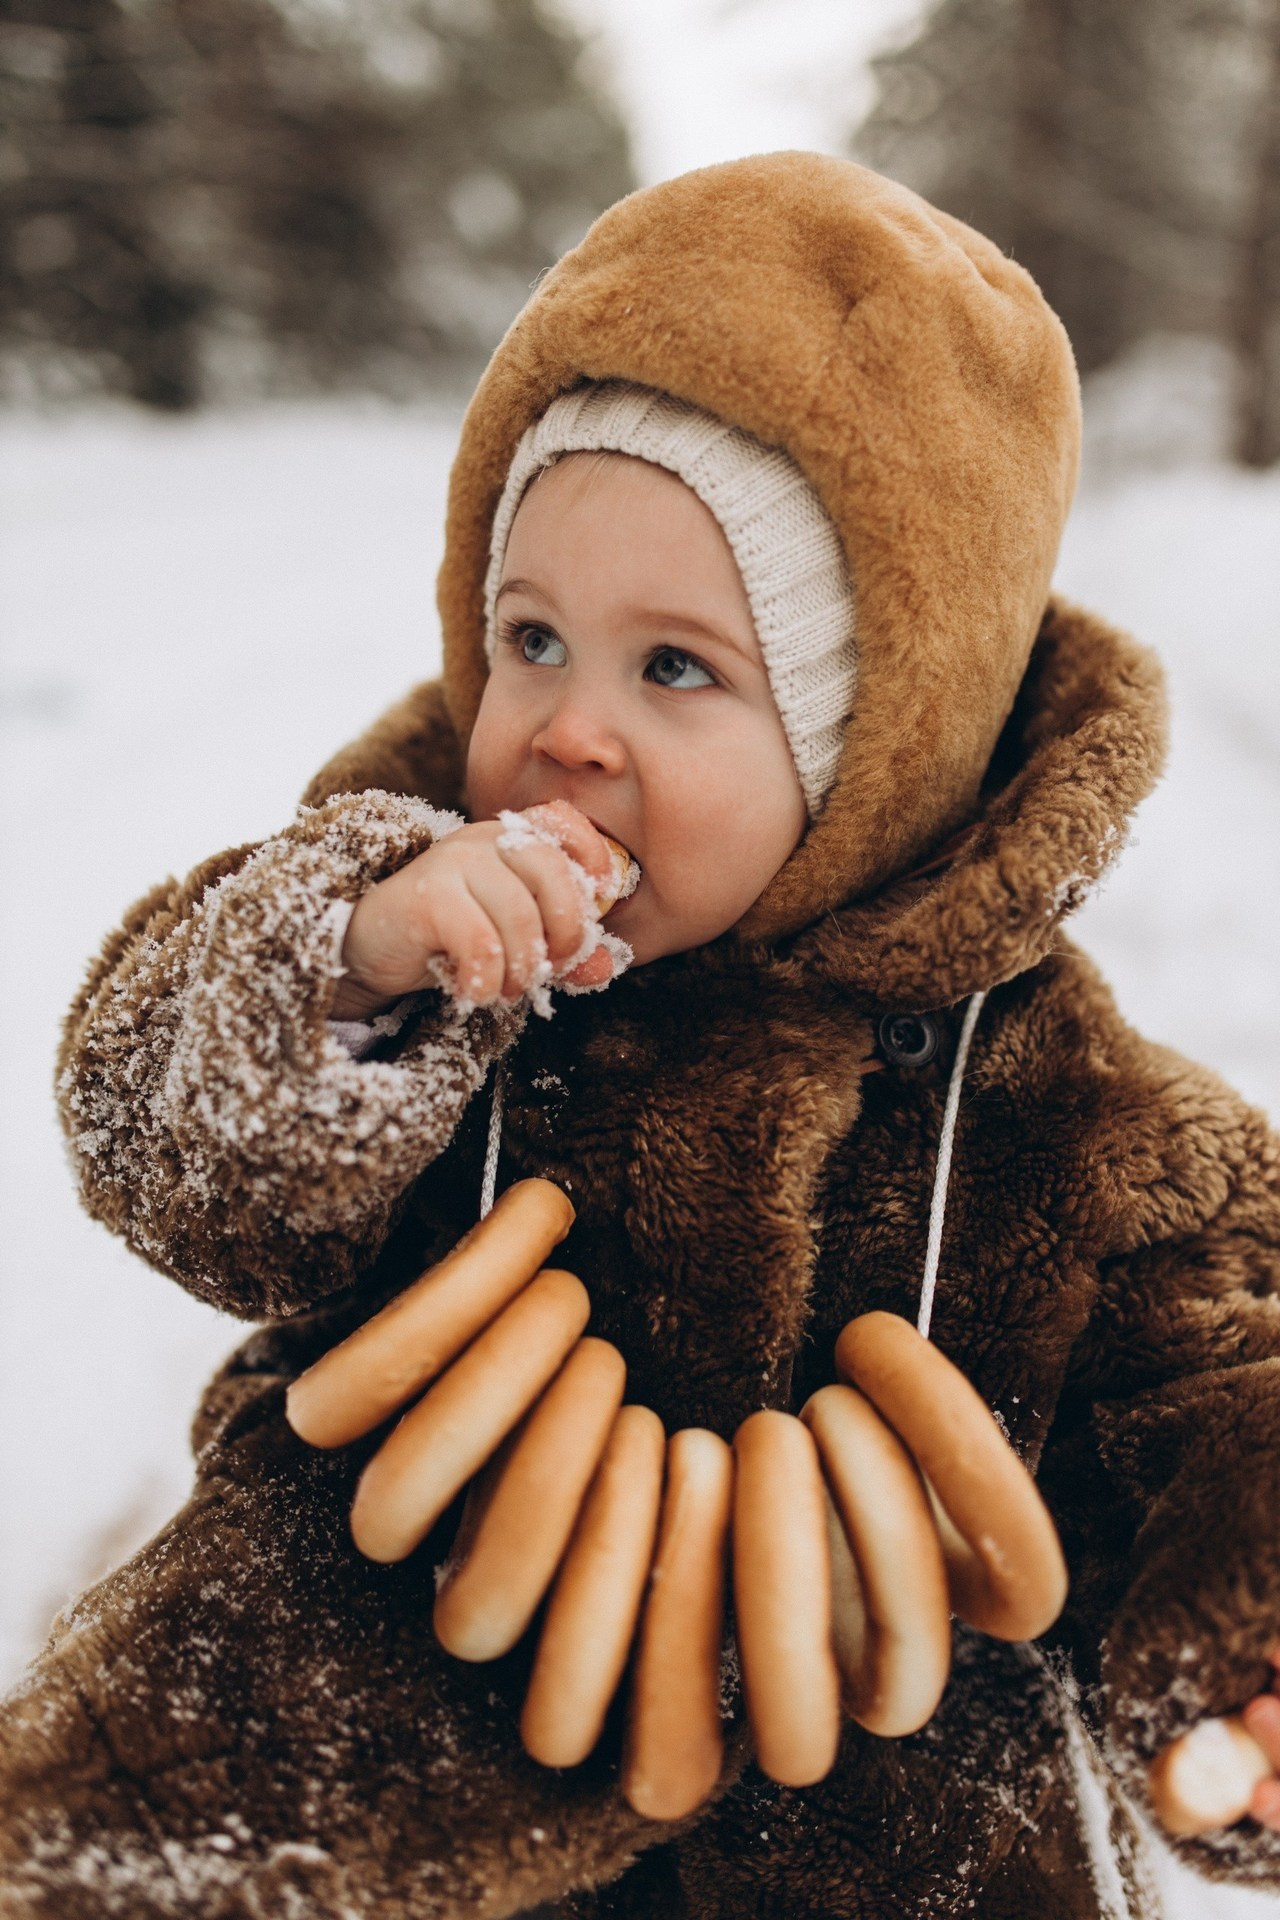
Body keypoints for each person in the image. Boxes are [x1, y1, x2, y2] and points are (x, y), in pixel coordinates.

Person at [4, 151, 1280, 1920]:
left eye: (675, 668)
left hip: (898, 1836)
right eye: (531, 639)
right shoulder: (424, 954)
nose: (567, 730)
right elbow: (162, 1146)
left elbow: (1224, 1395)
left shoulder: (1069, 1119)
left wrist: (1243, 1645)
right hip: (346, 1765)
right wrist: (343, 968)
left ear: (883, 748)